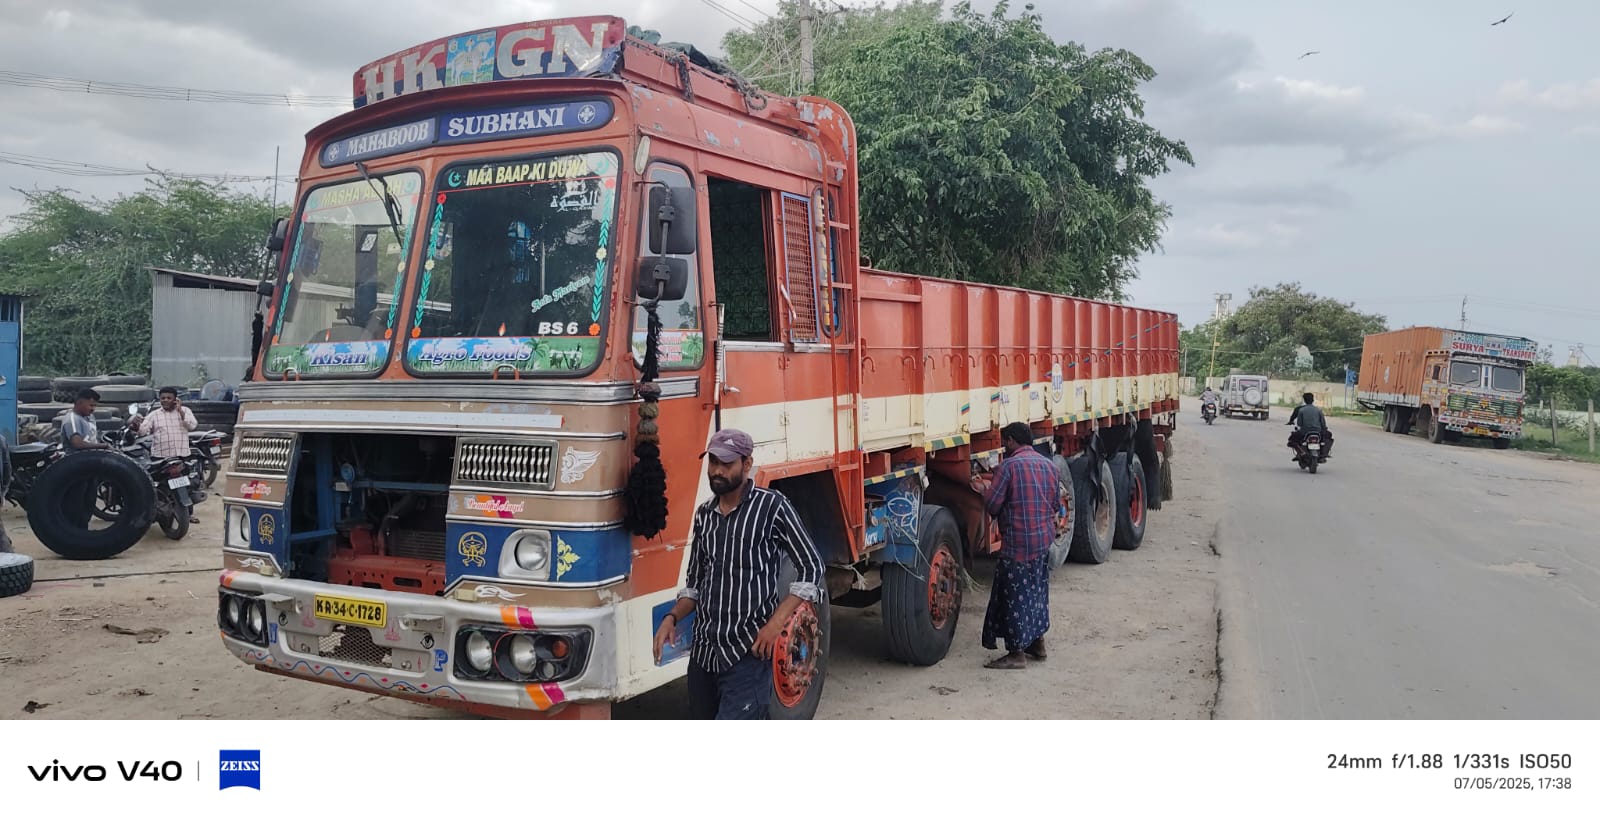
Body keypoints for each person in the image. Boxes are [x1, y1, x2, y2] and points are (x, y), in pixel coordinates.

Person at [652, 428, 825, 719]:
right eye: (713, 462)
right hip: (704, 657)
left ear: (746, 465)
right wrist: (671, 618)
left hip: (746, 656)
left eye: (726, 464)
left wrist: (775, 625)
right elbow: (694, 586)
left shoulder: (772, 508)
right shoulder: (705, 515)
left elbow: (812, 567)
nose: (717, 471)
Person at [980, 422, 1058, 670]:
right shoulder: (1049, 466)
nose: (1005, 447)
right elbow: (1055, 504)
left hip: (1017, 545)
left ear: (1012, 440)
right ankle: (1038, 643)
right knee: (1036, 592)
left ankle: (1016, 654)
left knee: (1013, 597)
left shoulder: (1008, 467)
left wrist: (983, 489)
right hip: (1042, 541)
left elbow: (992, 505)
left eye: (1006, 442)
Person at [131, 388, 201, 523]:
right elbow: (143, 431)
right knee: (161, 485)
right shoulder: (154, 415)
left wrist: (180, 411)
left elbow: (192, 426)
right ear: (159, 399)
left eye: (169, 398)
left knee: (185, 484)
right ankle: (162, 511)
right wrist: (136, 426)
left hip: (181, 455)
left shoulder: (185, 411)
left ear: (175, 399)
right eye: (163, 398)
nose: (165, 400)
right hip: (160, 457)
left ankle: (188, 513)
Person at [1287, 391, 1333, 459]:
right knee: (1328, 436)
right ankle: (1324, 453)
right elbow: (1323, 423)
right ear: (1313, 400)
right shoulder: (1318, 410)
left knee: (1292, 440)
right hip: (1318, 431)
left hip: (1305, 432)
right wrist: (1324, 429)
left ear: (1304, 400)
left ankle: (1301, 452)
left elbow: (1299, 423)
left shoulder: (1301, 410)